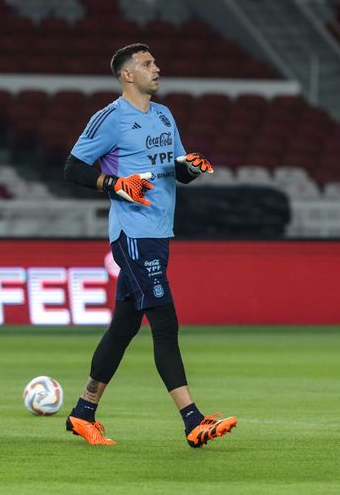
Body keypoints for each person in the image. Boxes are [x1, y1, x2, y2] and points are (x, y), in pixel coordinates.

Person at [63, 43, 237, 447]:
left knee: (123, 328)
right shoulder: (110, 118)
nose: (156, 68)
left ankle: (82, 412)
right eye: (146, 64)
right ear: (127, 75)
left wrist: (189, 168)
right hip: (132, 235)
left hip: (159, 233)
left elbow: (175, 172)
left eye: (155, 62)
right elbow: (73, 167)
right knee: (165, 325)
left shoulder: (164, 115)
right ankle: (192, 420)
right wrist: (113, 183)